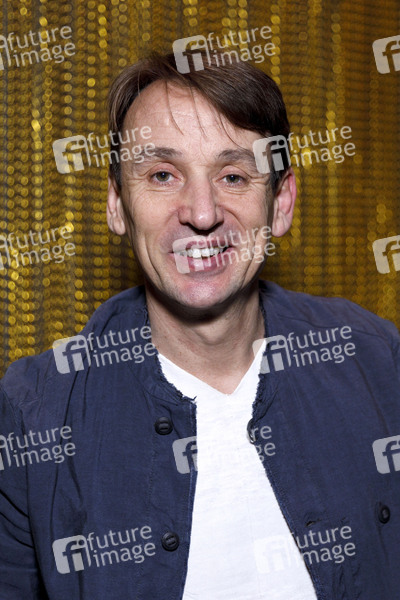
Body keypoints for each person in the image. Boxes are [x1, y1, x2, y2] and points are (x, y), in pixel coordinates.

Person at [0, 49, 399, 600]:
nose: (202, 212)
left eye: (233, 176)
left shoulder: (377, 362)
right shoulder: (33, 417)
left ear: (281, 202)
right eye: (163, 175)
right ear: (117, 203)